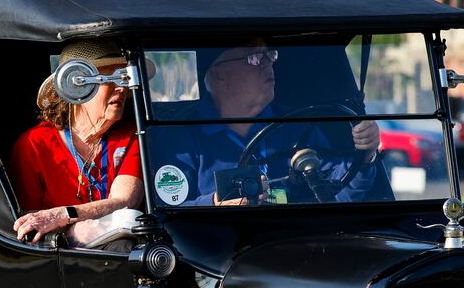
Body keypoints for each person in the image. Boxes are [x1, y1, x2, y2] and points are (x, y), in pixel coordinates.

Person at [154, 39, 383, 206]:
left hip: (291, 247)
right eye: (253, 58)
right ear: (219, 75)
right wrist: (216, 205)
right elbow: (166, 209)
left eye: (269, 55)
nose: (268, 64)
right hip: (215, 257)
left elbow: (337, 197)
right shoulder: (180, 138)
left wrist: (365, 155)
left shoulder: (296, 125)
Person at [8, 39, 144, 243]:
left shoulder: (132, 135)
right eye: (109, 78)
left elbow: (125, 202)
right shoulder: (34, 145)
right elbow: (28, 223)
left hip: (119, 253)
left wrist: (63, 215)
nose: (121, 88)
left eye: (123, 78)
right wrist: (74, 232)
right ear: (76, 87)